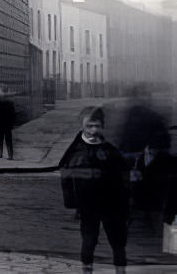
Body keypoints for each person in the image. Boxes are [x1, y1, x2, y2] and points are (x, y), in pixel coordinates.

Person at [59, 106, 130, 274]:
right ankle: (87, 271)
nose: (93, 130)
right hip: (88, 206)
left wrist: (126, 205)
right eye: (89, 126)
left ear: (102, 126)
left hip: (112, 205)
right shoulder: (75, 151)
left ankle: (121, 271)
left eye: (96, 126)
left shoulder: (111, 151)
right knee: (89, 241)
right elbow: (67, 179)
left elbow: (124, 178)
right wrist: (73, 202)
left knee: (118, 242)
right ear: (82, 126)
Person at [0, 85, 16, 160]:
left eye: (1, 90)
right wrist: (12, 123)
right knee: (7, 139)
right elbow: (13, 114)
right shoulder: (9, 102)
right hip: (6, 123)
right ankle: (10, 155)